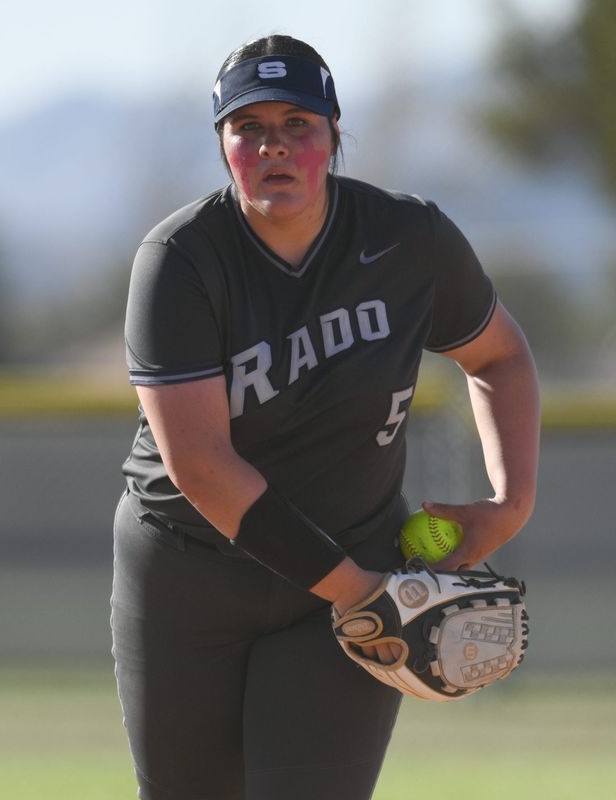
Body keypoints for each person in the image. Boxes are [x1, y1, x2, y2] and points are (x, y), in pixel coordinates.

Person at [111, 33, 540, 800]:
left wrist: (511, 504)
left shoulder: (408, 240)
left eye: (299, 124)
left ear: (336, 134)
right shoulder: (181, 259)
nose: (274, 145)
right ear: (223, 145)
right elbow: (202, 464)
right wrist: (358, 591)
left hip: (352, 566)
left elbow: (500, 356)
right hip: (188, 573)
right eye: (249, 128)